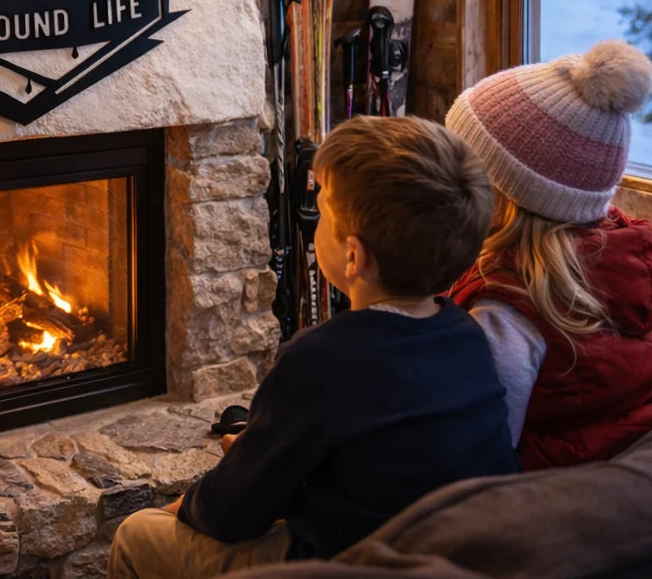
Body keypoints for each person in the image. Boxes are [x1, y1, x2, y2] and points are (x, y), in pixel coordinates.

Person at [107, 116, 519, 579]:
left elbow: (230, 513)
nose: (315, 220)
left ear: (353, 256)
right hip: (458, 556)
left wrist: (192, 502)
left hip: (353, 564)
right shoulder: (466, 334)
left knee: (138, 533)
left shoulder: (320, 358)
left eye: (322, 211)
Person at [446, 38, 652, 471]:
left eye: (459, 165)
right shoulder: (629, 254)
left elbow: (484, 457)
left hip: (546, 507)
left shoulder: (505, 312)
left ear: (503, 195)